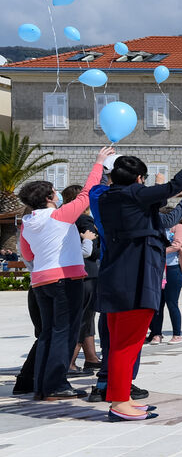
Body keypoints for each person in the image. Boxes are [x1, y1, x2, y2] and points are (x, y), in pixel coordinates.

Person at [96, 135, 182, 421]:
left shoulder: (108, 198)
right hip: (135, 279)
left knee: (120, 343)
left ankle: (120, 397)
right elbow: (172, 187)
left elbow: (161, 206)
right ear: (139, 179)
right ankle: (119, 404)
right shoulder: (134, 196)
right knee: (127, 345)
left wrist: (169, 193)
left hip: (116, 278)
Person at [17, 145, 113, 401]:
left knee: (48, 333)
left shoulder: (28, 223)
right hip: (65, 279)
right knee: (65, 332)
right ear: (50, 197)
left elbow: (28, 255)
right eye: (55, 191)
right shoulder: (59, 215)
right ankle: (56, 384)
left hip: (40, 281)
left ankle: (42, 385)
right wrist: (99, 163)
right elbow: (87, 192)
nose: (58, 194)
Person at [61, 184, 103, 368]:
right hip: (88, 274)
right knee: (84, 318)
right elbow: (92, 252)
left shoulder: (66, 218)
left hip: (74, 273)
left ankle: (91, 357)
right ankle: (70, 362)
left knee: (87, 317)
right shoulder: (85, 220)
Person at [147, 218, 182, 344]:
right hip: (157, 269)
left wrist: (157, 252)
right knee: (157, 304)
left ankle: (177, 334)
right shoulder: (156, 227)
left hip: (172, 269)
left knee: (172, 303)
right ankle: (156, 334)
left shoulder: (178, 227)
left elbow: (176, 245)